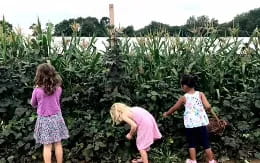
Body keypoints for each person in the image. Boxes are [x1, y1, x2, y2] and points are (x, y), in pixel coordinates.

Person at [163, 74, 217, 163]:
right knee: (206, 143)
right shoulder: (200, 94)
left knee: (192, 143)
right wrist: (207, 109)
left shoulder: (184, 97)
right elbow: (207, 106)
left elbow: (174, 108)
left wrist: (167, 114)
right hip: (201, 123)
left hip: (190, 124)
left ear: (184, 86)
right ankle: (211, 160)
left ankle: (193, 160)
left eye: (181, 85)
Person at [31, 63, 69, 163]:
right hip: (57, 118)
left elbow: (33, 104)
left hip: (44, 119)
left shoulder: (37, 90)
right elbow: (56, 100)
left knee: (47, 146)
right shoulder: (58, 89)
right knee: (58, 143)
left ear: (39, 75)